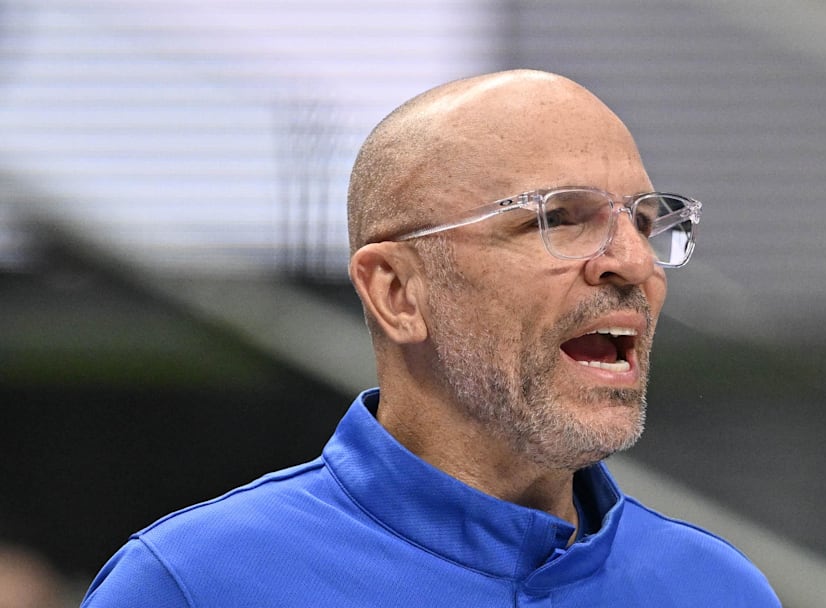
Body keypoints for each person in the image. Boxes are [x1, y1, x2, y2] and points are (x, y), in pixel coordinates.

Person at [81, 69, 780, 607]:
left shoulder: (718, 590)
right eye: (561, 218)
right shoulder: (194, 586)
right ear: (397, 292)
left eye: (644, 222)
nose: (633, 262)